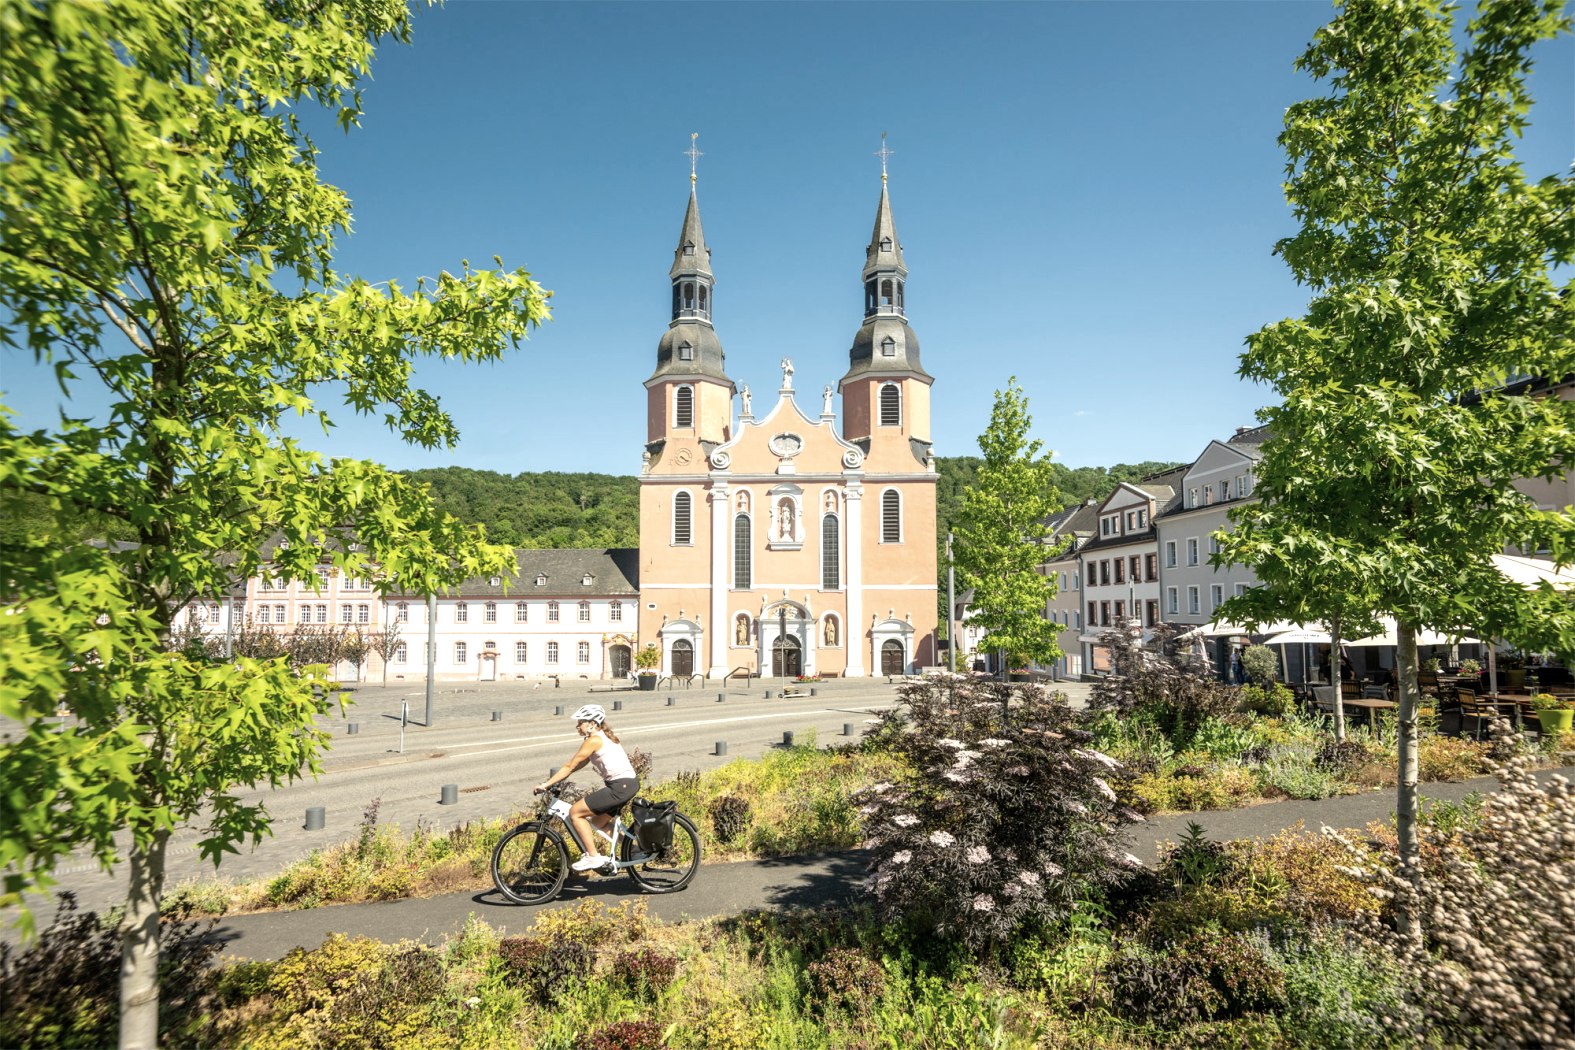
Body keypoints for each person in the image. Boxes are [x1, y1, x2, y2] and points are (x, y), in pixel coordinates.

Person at [535, 704, 641, 872]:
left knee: (575, 813)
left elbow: (569, 766)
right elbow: (577, 765)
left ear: (592, 724)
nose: (577, 726)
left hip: (620, 787)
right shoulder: (601, 737)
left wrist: (545, 785)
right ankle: (633, 849)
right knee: (598, 822)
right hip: (627, 785)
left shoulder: (594, 740)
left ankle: (593, 856)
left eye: (580, 723)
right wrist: (558, 779)